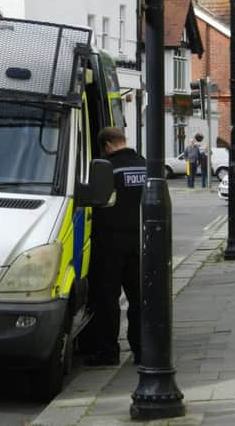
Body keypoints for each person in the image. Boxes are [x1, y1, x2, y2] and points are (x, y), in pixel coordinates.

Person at [83, 127, 146, 365]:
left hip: (109, 244)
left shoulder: (107, 168)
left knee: (107, 299)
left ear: (107, 145)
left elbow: (96, 203)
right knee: (139, 300)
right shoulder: (145, 165)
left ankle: (108, 352)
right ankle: (141, 351)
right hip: (140, 243)